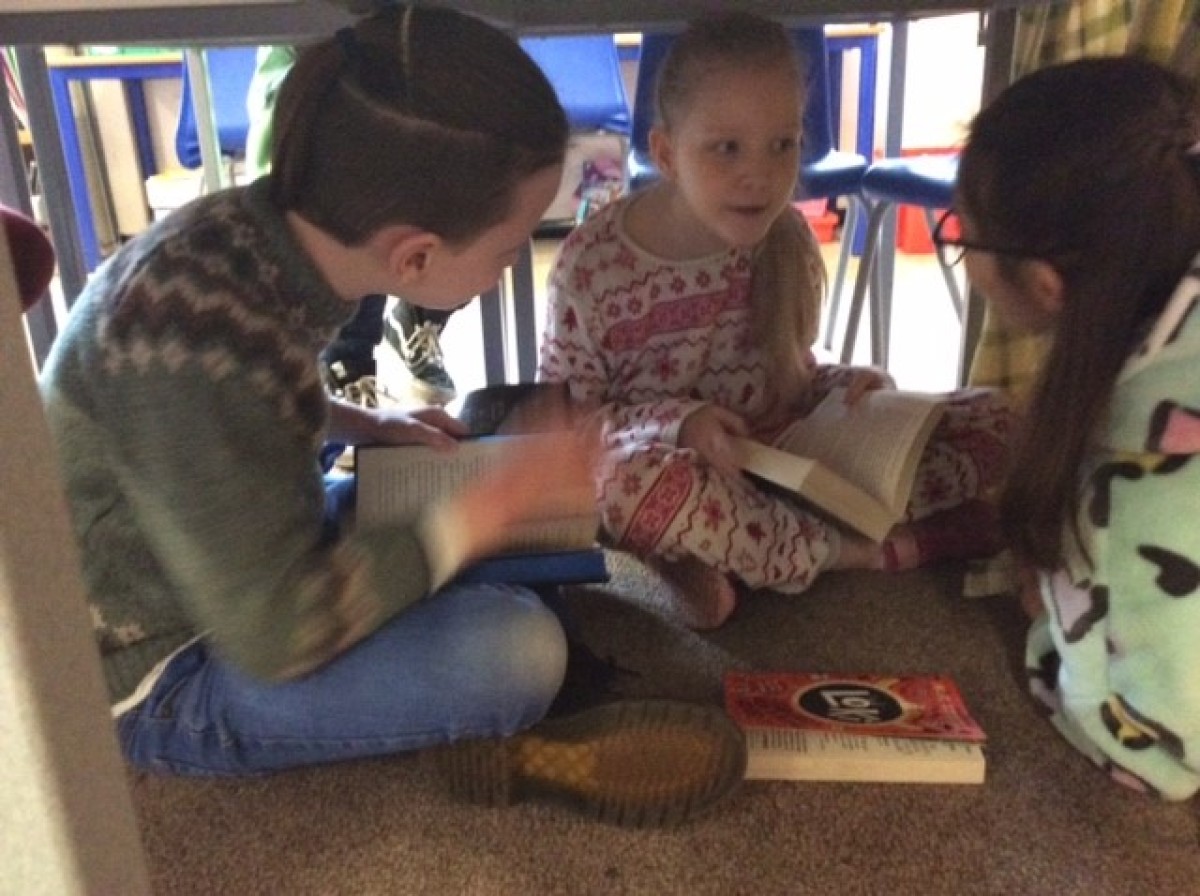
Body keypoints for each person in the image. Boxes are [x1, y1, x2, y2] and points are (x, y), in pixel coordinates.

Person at [38, 5, 747, 827]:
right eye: (509, 248)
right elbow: (279, 633)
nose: (511, 264)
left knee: (488, 497)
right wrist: (473, 519)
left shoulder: (253, 236)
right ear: (415, 256)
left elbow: (249, 408)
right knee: (515, 652)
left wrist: (367, 427)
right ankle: (500, 737)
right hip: (168, 663)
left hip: (245, 551)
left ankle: (470, 636)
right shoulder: (190, 349)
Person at [538, 11, 1012, 630]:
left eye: (782, 145)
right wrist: (682, 423)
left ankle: (747, 554)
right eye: (726, 148)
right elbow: (569, 430)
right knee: (628, 487)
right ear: (666, 153)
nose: (759, 175)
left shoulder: (785, 241)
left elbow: (795, 373)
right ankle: (864, 551)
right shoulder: (591, 266)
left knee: (998, 418)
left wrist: (849, 386)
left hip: (783, 463)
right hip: (674, 471)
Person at [951, 55, 1200, 801]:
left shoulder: (1129, 508)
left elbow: (1159, 754)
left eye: (964, 237)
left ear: (1047, 284)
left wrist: (1055, 631)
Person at [245, 42, 459, 407]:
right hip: (318, 108)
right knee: (358, 231)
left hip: (399, 67)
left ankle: (415, 320)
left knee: (455, 195)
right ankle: (348, 365)